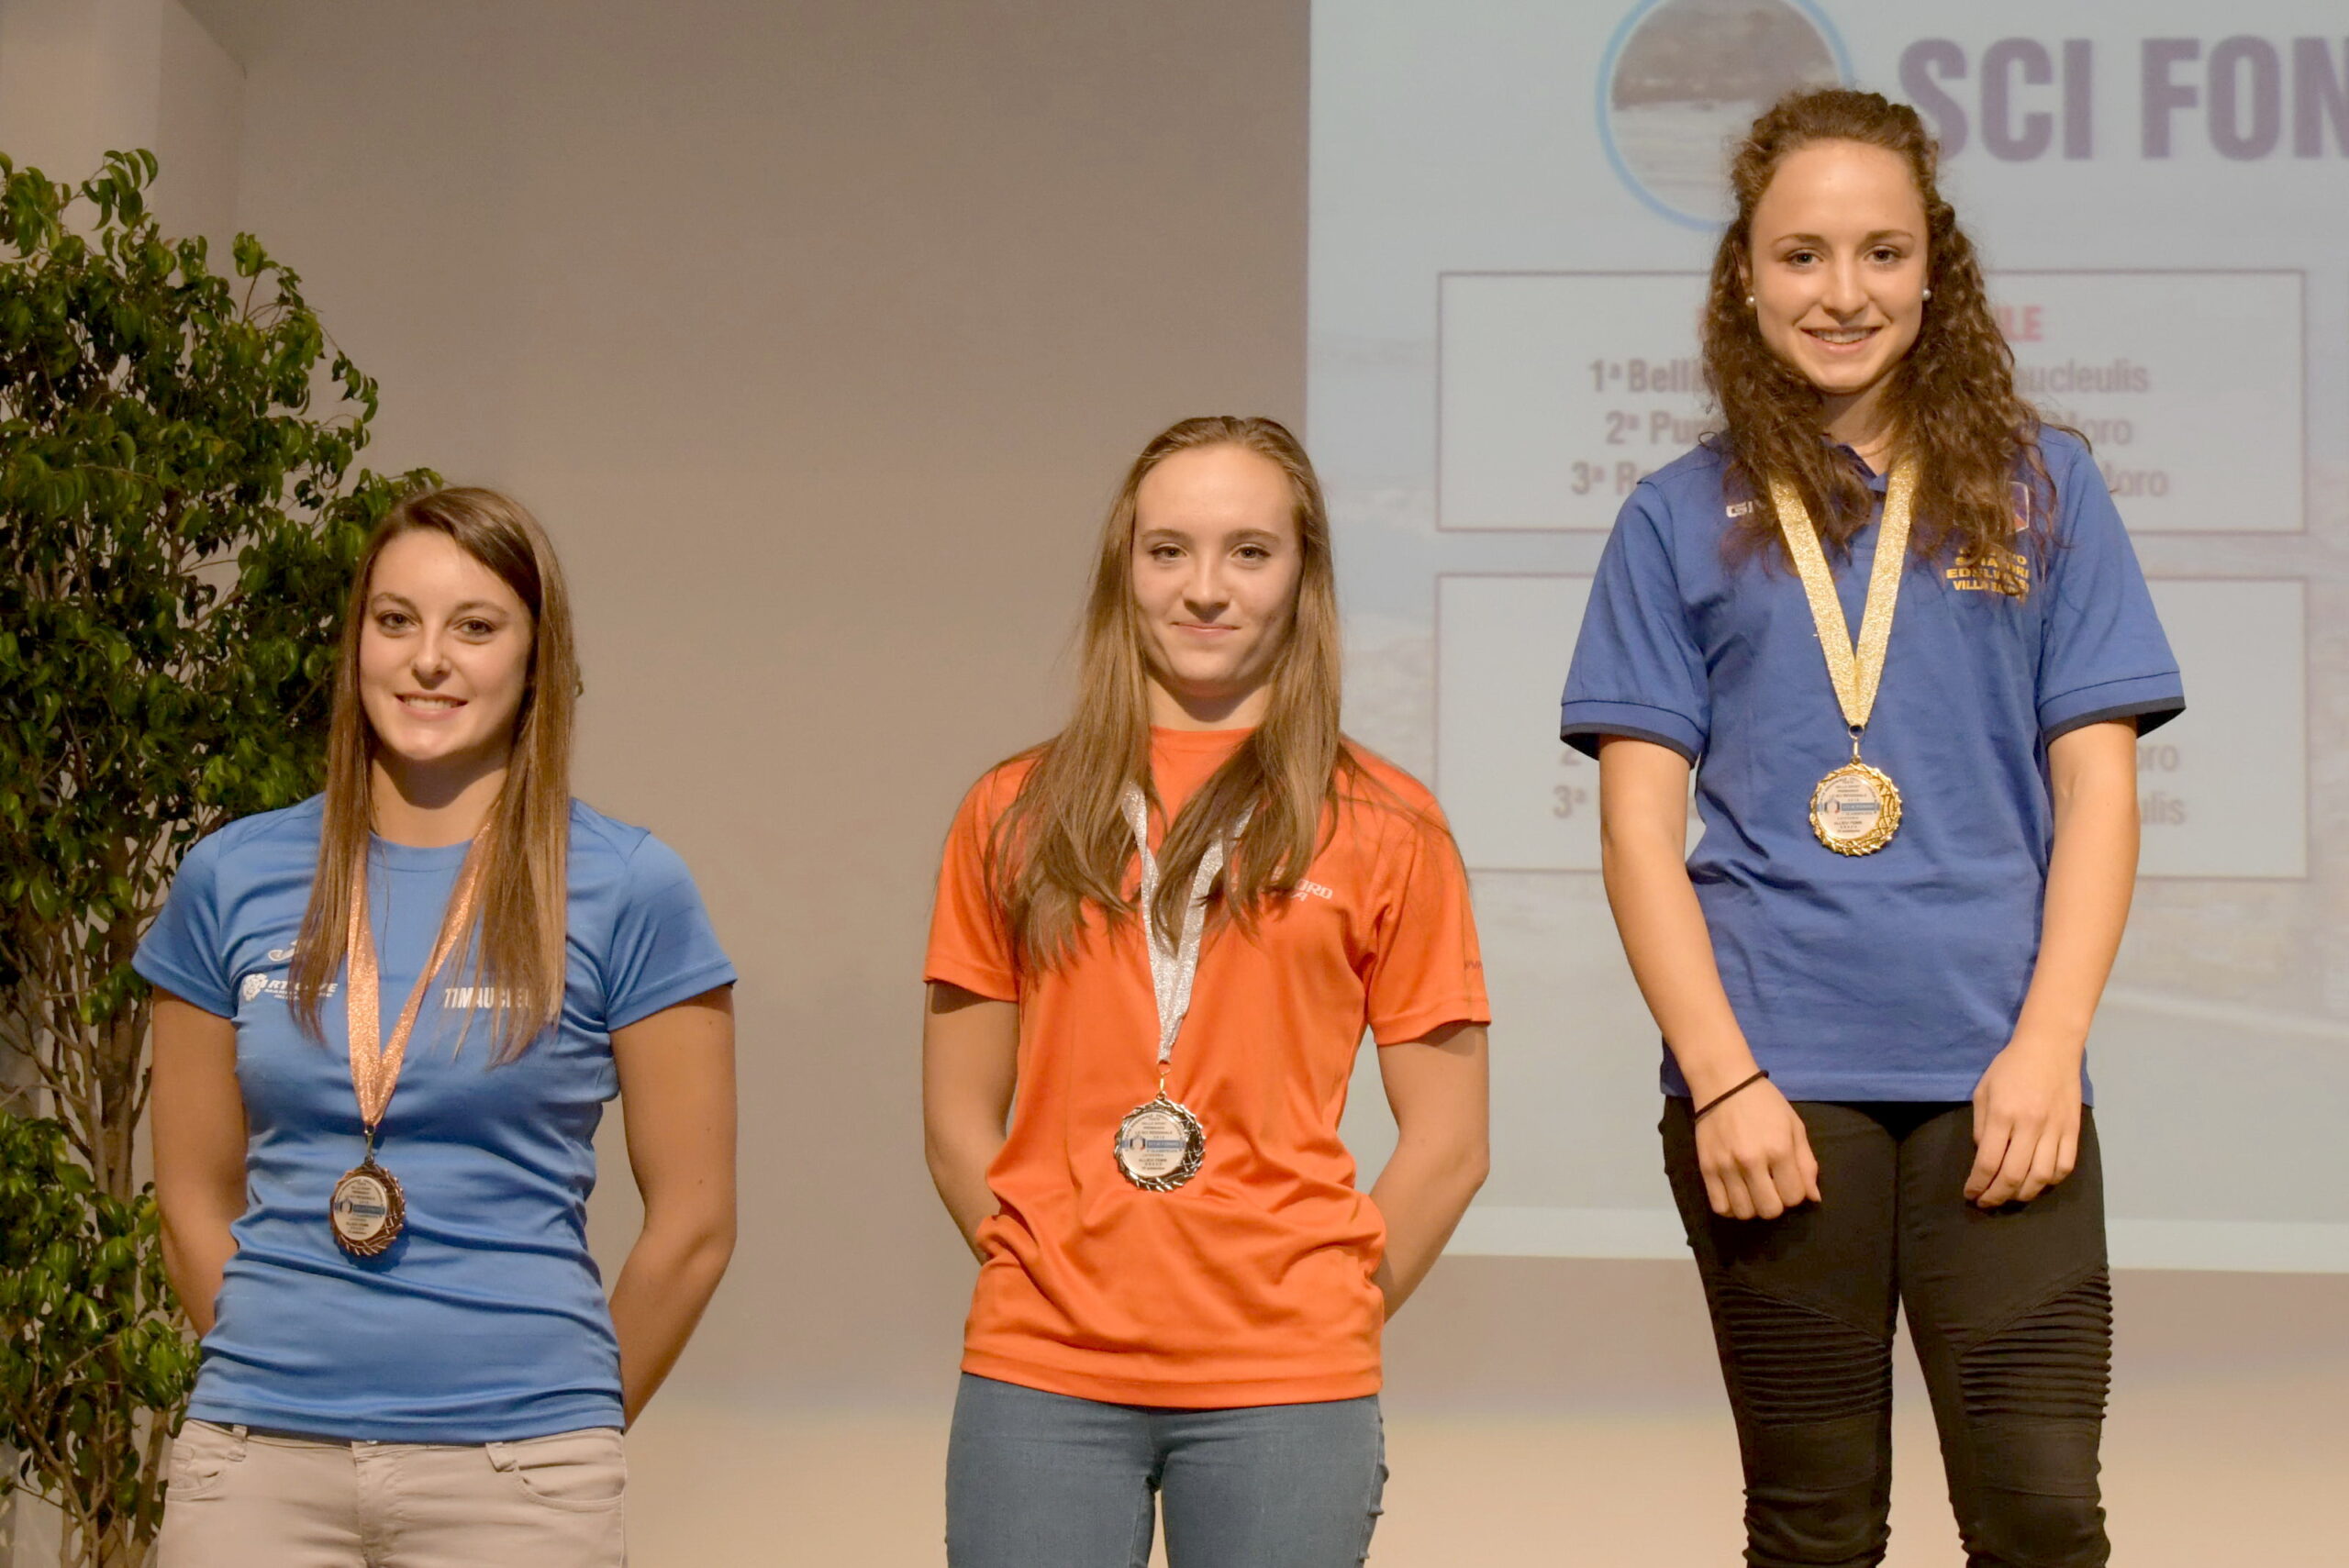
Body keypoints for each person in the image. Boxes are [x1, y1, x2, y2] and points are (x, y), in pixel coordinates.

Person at [1562, 88, 2182, 1568]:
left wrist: (2051, 1042)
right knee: (1816, 1528)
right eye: (1803, 255)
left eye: (1881, 253)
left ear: (1933, 268)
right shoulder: (1674, 515)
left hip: (2003, 1077)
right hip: (1773, 1089)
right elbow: (1639, 832)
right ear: (1745, 277)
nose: (1842, 292)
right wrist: (1724, 1079)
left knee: (2043, 1518)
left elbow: (2099, 790)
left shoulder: (2047, 488)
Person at [923, 416, 1490, 1567]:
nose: (1205, 589)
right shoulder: (1012, 810)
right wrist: (1050, 1277)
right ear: (1123, 569)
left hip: (1286, 1386)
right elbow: (954, 1116)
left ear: (1302, 576)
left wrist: (1326, 1307)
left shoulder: (1388, 821)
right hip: (1042, 1374)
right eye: (1167, 550)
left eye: (1249, 551)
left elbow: (1450, 1141)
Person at [140, 487, 738, 1566]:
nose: (428, 660)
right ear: (357, 643)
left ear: (534, 657)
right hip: (257, 1468)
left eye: (475, 626)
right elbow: (187, 1191)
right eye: (396, 620)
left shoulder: (627, 885)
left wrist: (567, 1425)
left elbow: (694, 1223)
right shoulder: (230, 875)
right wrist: (279, 1365)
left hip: (518, 1475)